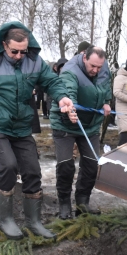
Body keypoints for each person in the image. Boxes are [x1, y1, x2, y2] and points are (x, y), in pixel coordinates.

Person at [0, 22, 76, 240]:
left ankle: (34, 221)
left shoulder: (35, 61)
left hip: (21, 126)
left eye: (23, 51)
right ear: (4, 45)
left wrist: (63, 97)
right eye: (14, 51)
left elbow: (52, 82)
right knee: (9, 165)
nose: (20, 55)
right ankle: (6, 220)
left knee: (32, 171)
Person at [50, 46, 112, 219]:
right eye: (93, 66)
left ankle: (83, 202)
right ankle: (64, 203)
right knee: (66, 165)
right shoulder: (70, 71)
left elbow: (106, 85)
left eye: (99, 67)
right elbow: (69, 92)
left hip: (91, 125)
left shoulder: (103, 68)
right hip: (65, 124)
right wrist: (70, 110)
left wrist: (107, 102)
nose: (96, 70)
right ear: (84, 57)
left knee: (92, 164)